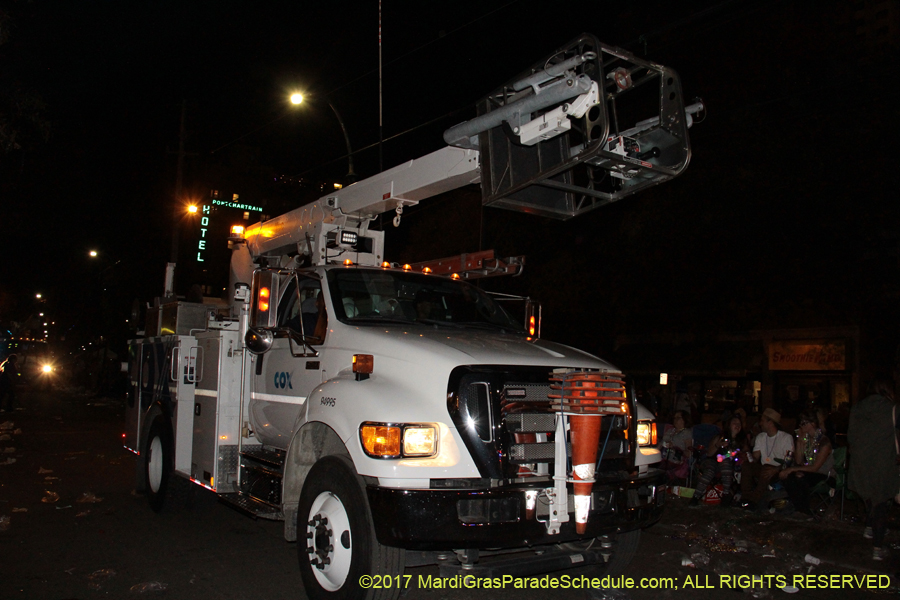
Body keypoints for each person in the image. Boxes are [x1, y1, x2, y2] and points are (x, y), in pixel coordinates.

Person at [847, 377, 900, 561]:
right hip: (884, 464)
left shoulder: (857, 408)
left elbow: (851, 437)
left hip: (861, 464)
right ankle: (877, 547)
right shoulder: (893, 409)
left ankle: (869, 527)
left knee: (869, 496)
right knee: (881, 504)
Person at [779, 409, 834, 516]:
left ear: (812, 424)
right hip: (810, 472)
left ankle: (804, 510)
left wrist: (791, 469)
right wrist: (799, 441)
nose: (801, 426)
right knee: (790, 477)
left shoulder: (824, 442)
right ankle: (799, 508)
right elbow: (799, 461)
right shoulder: (807, 441)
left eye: (804, 423)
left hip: (824, 474)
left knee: (799, 477)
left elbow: (815, 467)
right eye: (800, 423)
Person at [689, 415, 750, 507]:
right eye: (734, 423)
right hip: (712, 461)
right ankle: (696, 496)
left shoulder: (741, 441)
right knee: (709, 470)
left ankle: (726, 495)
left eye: (739, 424)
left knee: (725, 463)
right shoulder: (719, 437)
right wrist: (717, 445)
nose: (737, 425)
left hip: (728, 466)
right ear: (729, 425)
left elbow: (747, 454)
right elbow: (709, 454)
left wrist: (739, 453)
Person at [740, 408, 793, 511]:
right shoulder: (761, 437)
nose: (760, 423)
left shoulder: (786, 438)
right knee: (747, 466)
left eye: (762, 421)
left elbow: (789, 461)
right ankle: (745, 498)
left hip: (779, 469)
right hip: (764, 468)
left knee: (766, 469)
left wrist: (776, 469)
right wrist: (747, 455)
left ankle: (754, 500)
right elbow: (755, 458)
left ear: (770, 422)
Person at [661, 410, 693, 483]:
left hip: (676, 458)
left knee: (663, 469)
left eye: (678, 418)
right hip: (663, 456)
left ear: (684, 420)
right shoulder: (670, 431)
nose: (675, 420)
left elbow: (689, 452)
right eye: (674, 418)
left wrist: (674, 447)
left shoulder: (686, 433)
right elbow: (661, 443)